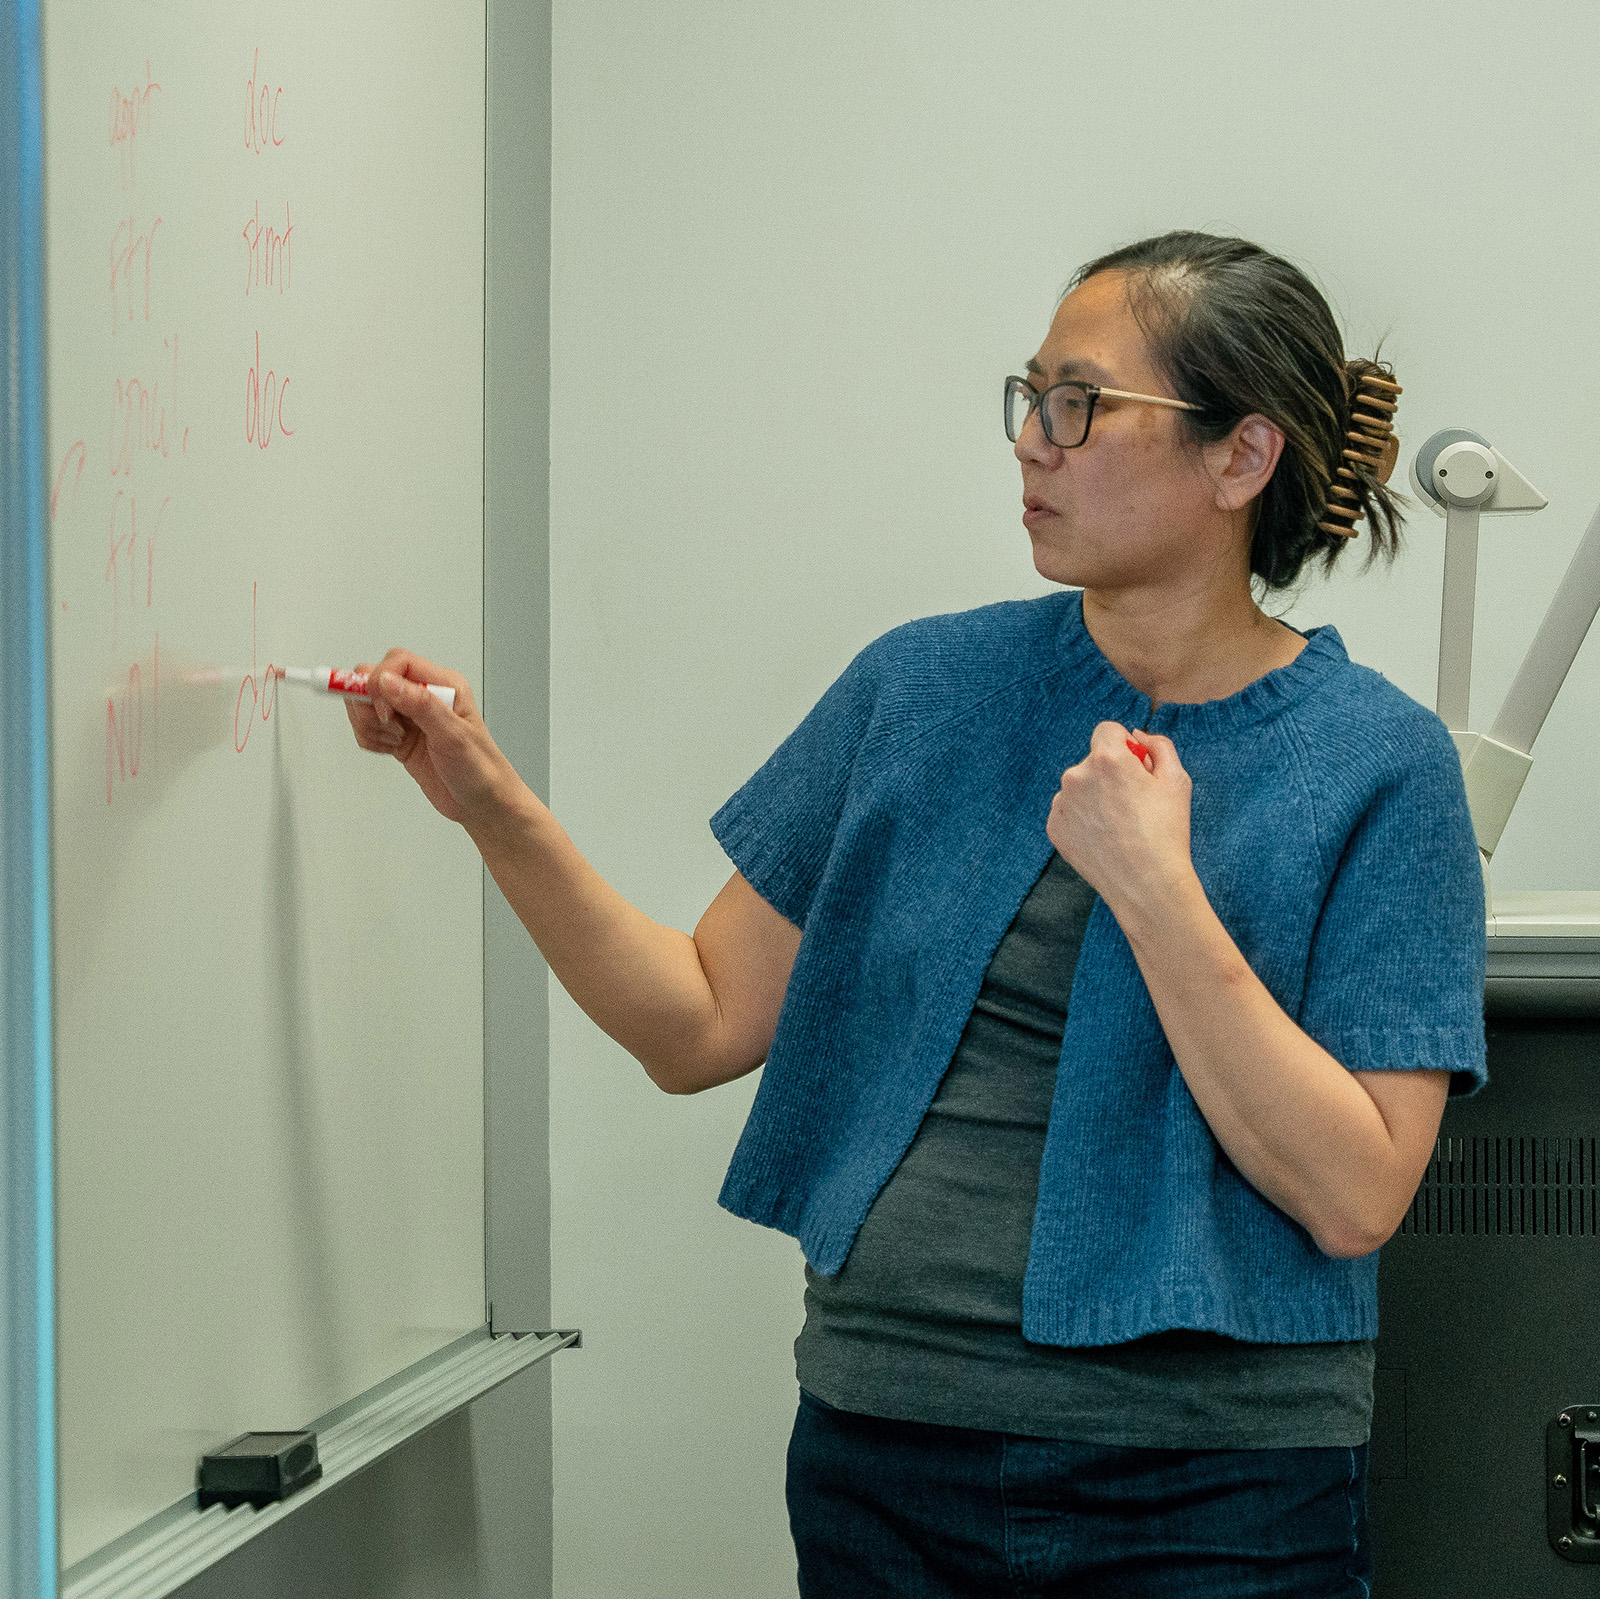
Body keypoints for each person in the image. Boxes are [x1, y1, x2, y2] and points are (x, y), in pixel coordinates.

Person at [347, 231, 1486, 1597]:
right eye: (1030, 397)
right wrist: (489, 802)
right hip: (886, 1451)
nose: (1034, 444)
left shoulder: (1380, 762)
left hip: (1218, 1491)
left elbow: (1358, 1189)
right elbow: (695, 1021)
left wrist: (1156, 890)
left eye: (1082, 406)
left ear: (1239, 459)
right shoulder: (923, 690)